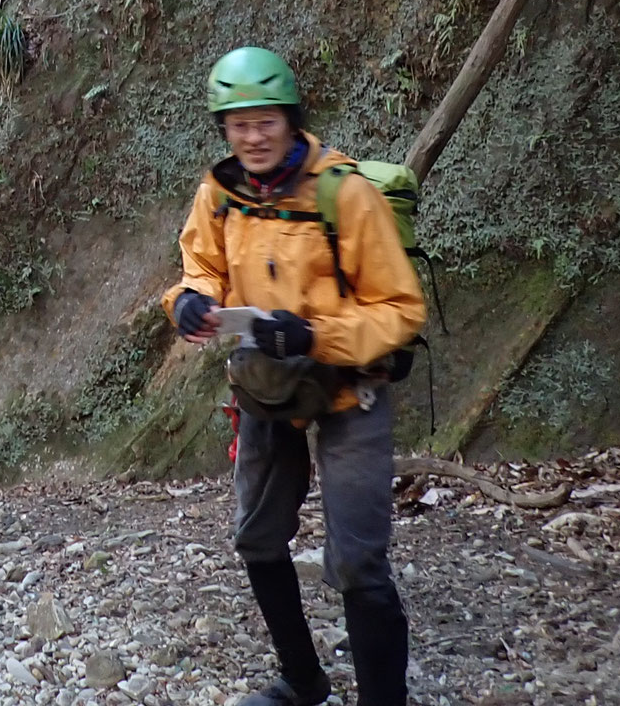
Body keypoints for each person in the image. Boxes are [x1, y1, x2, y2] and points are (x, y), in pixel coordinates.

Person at [164, 47, 427, 706]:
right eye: (237, 123)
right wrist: (190, 300)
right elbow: (200, 265)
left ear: (290, 119)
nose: (251, 137)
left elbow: (400, 310)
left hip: (349, 390)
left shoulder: (346, 194)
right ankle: (301, 678)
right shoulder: (219, 194)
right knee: (256, 536)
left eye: (265, 122)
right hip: (265, 387)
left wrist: (315, 334)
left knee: (358, 561)